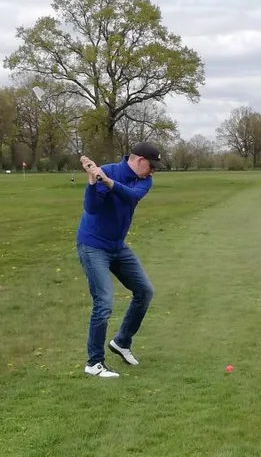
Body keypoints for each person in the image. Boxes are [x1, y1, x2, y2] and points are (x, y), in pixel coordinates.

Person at [76, 142, 164, 378]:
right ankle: (94, 363)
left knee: (145, 291)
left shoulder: (143, 181)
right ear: (138, 160)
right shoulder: (108, 171)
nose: (152, 171)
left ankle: (122, 342)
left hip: (117, 246)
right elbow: (92, 208)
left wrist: (107, 182)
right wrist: (93, 181)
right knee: (104, 301)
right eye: (151, 165)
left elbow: (130, 196)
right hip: (93, 245)